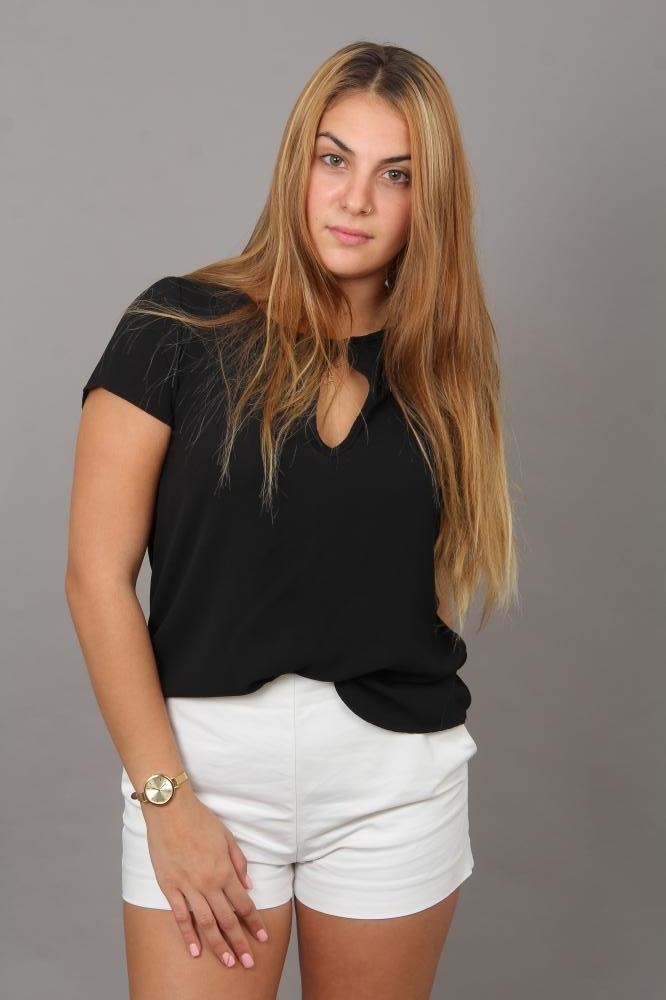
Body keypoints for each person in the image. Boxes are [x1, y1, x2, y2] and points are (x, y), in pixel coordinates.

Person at [66, 40, 518, 1000]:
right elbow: (95, 580)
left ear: (429, 201)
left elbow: (427, 585)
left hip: (395, 785)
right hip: (203, 772)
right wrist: (164, 799)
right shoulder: (174, 329)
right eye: (334, 159)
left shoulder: (444, 371)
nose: (356, 199)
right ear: (296, 165)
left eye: (396, 175)